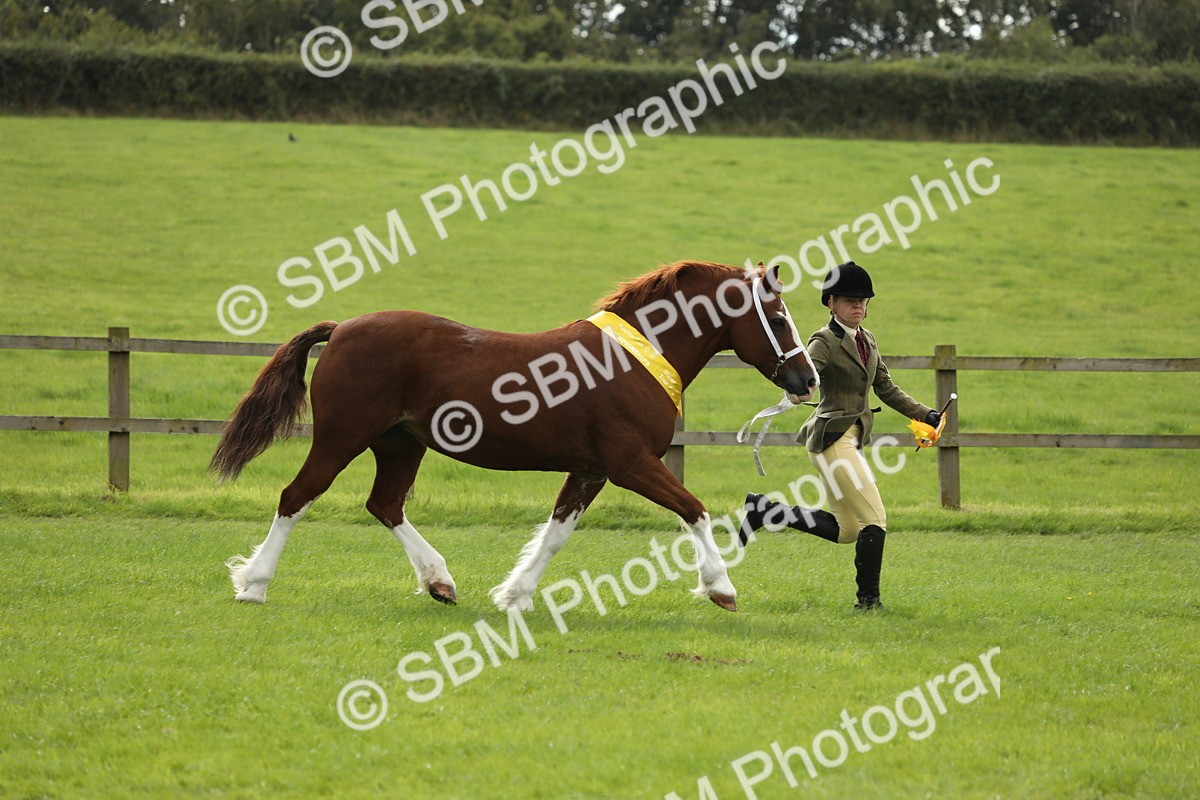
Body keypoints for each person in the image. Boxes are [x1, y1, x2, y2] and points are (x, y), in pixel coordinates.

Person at [739, 262, 940, 610]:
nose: (858, 306)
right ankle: (868, 602)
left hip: (849, 441)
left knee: (848, 531)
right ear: (831, 303)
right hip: (832, 439)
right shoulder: (824, 341)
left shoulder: (868, 340)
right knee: (875, 520)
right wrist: (798, 389)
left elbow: (886, 388)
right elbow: (807, 373)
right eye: (849, 300)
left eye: (862, 301)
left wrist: (926, 414)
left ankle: (765, 511)